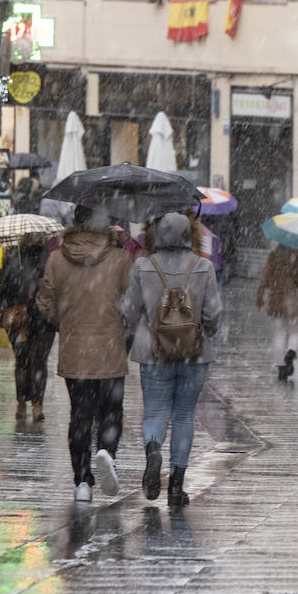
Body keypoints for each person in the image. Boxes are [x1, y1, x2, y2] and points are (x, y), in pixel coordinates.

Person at [121, 213, 222, 507]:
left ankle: (153, 450)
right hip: (194, 353)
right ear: (187, 235)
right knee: (183, 417)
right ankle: (176, 487)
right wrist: (205, 330)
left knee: (154, 413)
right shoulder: (203, 266)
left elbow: (129, 309)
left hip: (153, 351)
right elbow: (213, 313)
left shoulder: (143, 265)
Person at [37, 205, 135, 503]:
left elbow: (44, 302)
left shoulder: (56, 258)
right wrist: (119, 321)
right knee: (111, 411)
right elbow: (132, 303)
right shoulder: (120, 258)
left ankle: (82, 481)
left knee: (79, 416)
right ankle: (106, 451)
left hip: (74, 350)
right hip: (110, 349)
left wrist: (64, 321)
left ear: (75, 222)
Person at [0, 234, 56, 422]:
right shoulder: (22, 260)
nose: (35, 239)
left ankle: (34, 404)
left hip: (38, 321)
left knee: (32, 361)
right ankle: (26, 403)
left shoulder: (48, 260)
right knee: (27, 361)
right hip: (23, 321)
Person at [256, 244, 298, 380]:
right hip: (295, 297)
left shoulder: (275, 255)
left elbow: (266, 276)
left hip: (278, 297)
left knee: (279, 333)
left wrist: (261, 294)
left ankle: (281, 366)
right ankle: (291, 351)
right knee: (294, 331)